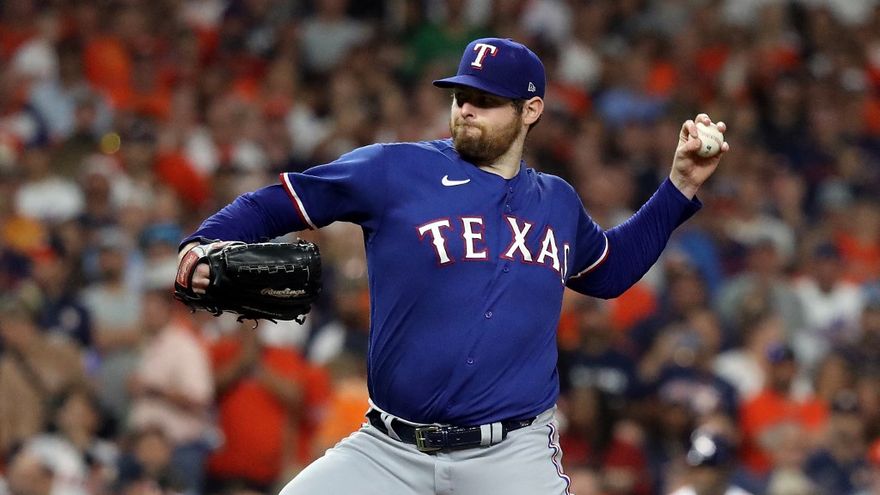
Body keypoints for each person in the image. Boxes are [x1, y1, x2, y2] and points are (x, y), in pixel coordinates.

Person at [176, 38, 728, 495]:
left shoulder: (556, 201)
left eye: (485, 100)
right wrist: (203, 243)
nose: (466, 108)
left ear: (530, 110)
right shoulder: (394, 170)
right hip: (388, 451)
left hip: (511, 456)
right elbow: (278, 202)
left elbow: (610, 270)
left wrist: (679, 186)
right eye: (461, 95)